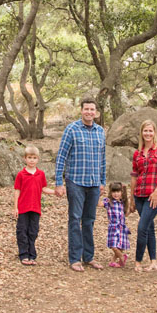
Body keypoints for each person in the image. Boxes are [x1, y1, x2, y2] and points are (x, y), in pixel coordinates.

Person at [54, 97, 107, 272]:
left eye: (92, 109)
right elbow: (61, 156)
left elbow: (102, 159)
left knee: (89, 220)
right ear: (81, 110)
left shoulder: (100, 131)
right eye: (86, 109)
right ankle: (75, 258)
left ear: (96, 112)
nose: (89, 112)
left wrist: (102, 182)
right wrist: (59, 182)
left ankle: (89, 257)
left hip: (93, 183)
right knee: (75, 220)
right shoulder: (72, 129)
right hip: (75, 181)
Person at [130, 118, 157, 272]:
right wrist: (132, 197)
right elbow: (134, 175)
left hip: (154, 196)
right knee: (149, 227)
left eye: (150, 131)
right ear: (141, 133)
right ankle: (153, 261)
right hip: (139, 195)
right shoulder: (137, 153)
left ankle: (138, 261)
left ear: (154, 133)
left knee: (141, 228)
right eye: (145, 131)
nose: (147, 133)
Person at [14, 145, 55, 265]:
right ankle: (23, 255)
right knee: (22, 230)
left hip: (35, 208)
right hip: (23, 208)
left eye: (34, 158)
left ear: (38, 159)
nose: (32, 160)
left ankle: (32, 254)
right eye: (29, 157)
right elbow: (17, 191)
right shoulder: (21, 175)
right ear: (25, 158)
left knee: (33, 231)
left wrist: (55, 192)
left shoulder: (40, 174)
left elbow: (44, 188)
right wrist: (15, 207)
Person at [102, 182, 133, 268]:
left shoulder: (122, 203)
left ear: (121, 192)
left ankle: (112, 261)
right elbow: (99, 204)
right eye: (114, 192)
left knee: (121, 246)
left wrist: (131, 209)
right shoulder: (108, 202)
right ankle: (122, 257)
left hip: (122, 227)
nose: (116, 194)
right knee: (113, 245)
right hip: (113, 227)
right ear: (111, 193)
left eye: (118, 192)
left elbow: (125, 215)